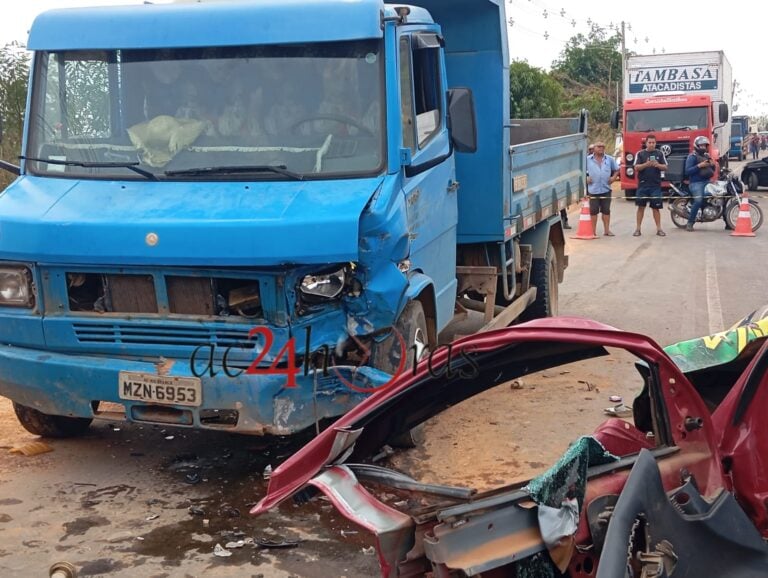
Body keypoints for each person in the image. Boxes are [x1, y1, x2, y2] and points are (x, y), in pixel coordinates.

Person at [632, 134, 667, 237]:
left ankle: (659, 229)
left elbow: (665, 167)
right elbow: (636, 167)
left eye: (653, 142)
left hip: (655, 185)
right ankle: (638, 229)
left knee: (656, 208)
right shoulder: (640, 154)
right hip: (643, 185)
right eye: (649, 142)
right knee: (640, 207)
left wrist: (657, 165)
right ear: (646, 143)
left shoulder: (660, 154)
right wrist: (646, 165)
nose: (651, 144)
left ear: (656, 143)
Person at [586, 142, 620, 236]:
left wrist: (613, 178)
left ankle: (607, 231)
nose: (601, 148)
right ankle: (593, 232)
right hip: (593, 190)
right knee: (593, 212)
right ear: (594, 148)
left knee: (606, 210)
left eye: (603, 147)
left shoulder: (609, 159)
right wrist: (585, 178)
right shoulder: (587, 159)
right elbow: (580, 170)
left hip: (606, 190)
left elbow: (617, 169)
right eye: (599, 147)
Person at [684, 136, 716, 232]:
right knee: (698, 200)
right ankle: (690, 223)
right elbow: (687, 171)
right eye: (701, 145)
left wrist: (712, 164)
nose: (703, 147)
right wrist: (699, 166)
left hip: (707, 182)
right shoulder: (692, 157)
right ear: (697, 146)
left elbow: (712, 170)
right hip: (696, 183)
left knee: (720, 195)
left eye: (704, 145)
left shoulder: (707, 156)